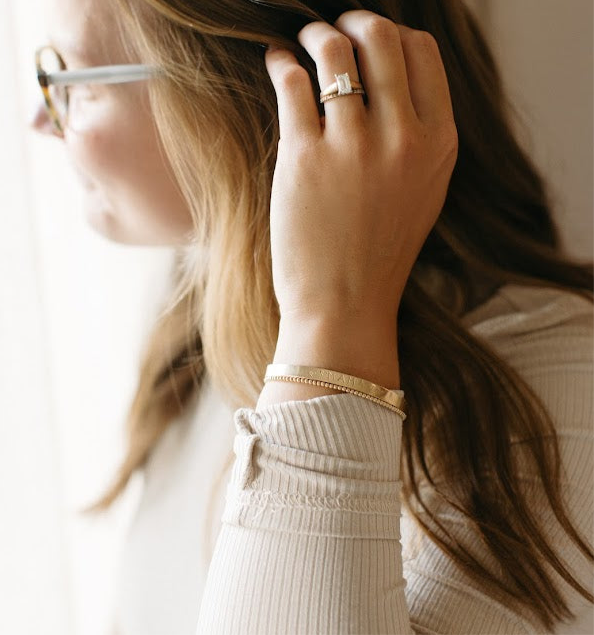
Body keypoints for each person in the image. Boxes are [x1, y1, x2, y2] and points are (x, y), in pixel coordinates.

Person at [32, 0, 594, 633]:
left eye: (64, 77)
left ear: (241, 95)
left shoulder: (551, 399)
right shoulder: (195, 341)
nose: (40, 120)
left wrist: (332, 321)